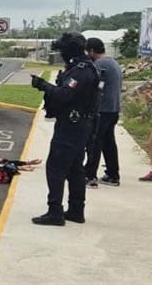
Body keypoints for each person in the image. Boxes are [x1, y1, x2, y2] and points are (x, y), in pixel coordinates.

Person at [30, 31, 99, 226]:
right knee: (75, 168)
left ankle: (55, 212)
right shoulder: (83, 67)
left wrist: (43, 85)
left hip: (72, 125)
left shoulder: (81, 70)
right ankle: (76, 210)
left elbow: (63, 95)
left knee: (56, 167)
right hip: (77, 124)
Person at [84, 37, 123, 187]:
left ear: (92, 50)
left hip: (102, 110)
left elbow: (94, 87)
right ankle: (113, 175)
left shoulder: (99, 65)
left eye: (88, 52)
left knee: (94, 142)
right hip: (113, 109)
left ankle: (90, 176)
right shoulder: (114, 63)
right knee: (109, 142)